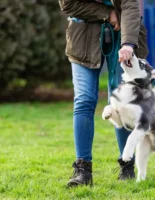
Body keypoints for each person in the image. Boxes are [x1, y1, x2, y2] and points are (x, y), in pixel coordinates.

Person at [58, 0, 149, 187]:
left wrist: (129, 43)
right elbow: (68, 4)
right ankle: (83, 171)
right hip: (82, 36)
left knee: (121, 102)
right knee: (84, 100)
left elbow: (131, 6)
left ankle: (127, 165)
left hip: (123, 35)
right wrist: (107, 13)